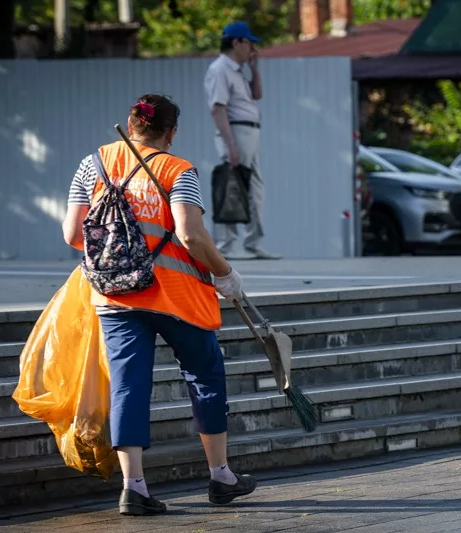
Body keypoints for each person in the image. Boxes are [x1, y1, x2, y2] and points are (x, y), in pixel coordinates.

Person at [62, 94, 257, 516]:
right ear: (171, 132)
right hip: (176, 296)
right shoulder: (178, 169)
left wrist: (118, 256)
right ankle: (221, 476)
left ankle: (134, 488)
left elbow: (72, 235)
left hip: (114, 295)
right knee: (205, 374)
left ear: (130, 125)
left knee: (128, 384)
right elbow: (191, 236)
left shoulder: (91, 164)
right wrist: (225, 274)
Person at [204, 21, 281, 260]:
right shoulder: (220, 69)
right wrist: (230, 145)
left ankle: (253, 242)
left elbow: (257, 94)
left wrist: (254, 69)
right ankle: (226, 244)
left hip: (250, 132)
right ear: (236, 42)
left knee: (253, 188)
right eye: (248, 43)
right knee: (232, 185)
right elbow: (218, 109)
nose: (251, 49)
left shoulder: (237, 70)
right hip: (236, 132)